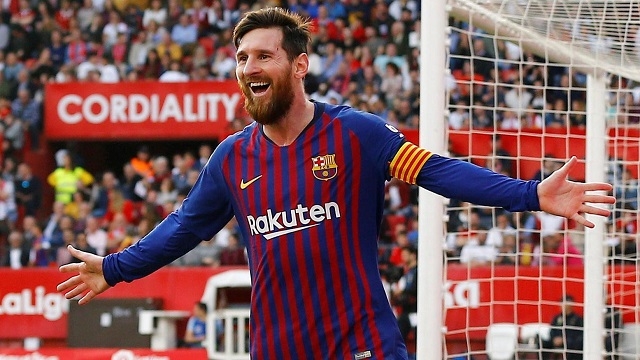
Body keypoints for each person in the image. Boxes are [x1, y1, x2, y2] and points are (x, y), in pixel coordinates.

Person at [57, 8, 615, 360]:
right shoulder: (232, 159)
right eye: (242, 57)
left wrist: (529, 194)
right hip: (279, 350)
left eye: (264, 55)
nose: (249, 66)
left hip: (361, 341)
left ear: (299, 65)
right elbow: (182, 229)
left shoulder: (355, 135)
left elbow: (436, 171)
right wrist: (112, 268)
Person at [544, 295, 584, 360]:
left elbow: (579, 335)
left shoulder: (578, 319)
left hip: (570, 343)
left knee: (576, 345)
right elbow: (552, 330)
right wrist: (554, 339)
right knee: (542, 344)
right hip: (556, 342)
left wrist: (564, 340)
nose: (561, 306)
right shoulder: (557, 318)